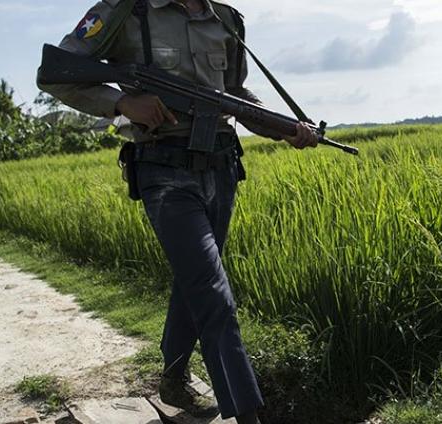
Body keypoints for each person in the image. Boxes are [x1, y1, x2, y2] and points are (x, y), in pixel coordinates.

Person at [38, 1, 317, 423]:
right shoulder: (125, 11)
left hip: (221, 169)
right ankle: (246, 413)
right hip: (164, 172)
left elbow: (234, 95)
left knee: (198, 280)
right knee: (214, 293)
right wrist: (121, 105)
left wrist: (284, 128)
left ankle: (173, 377)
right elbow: (56, 74)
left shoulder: (225, 19)